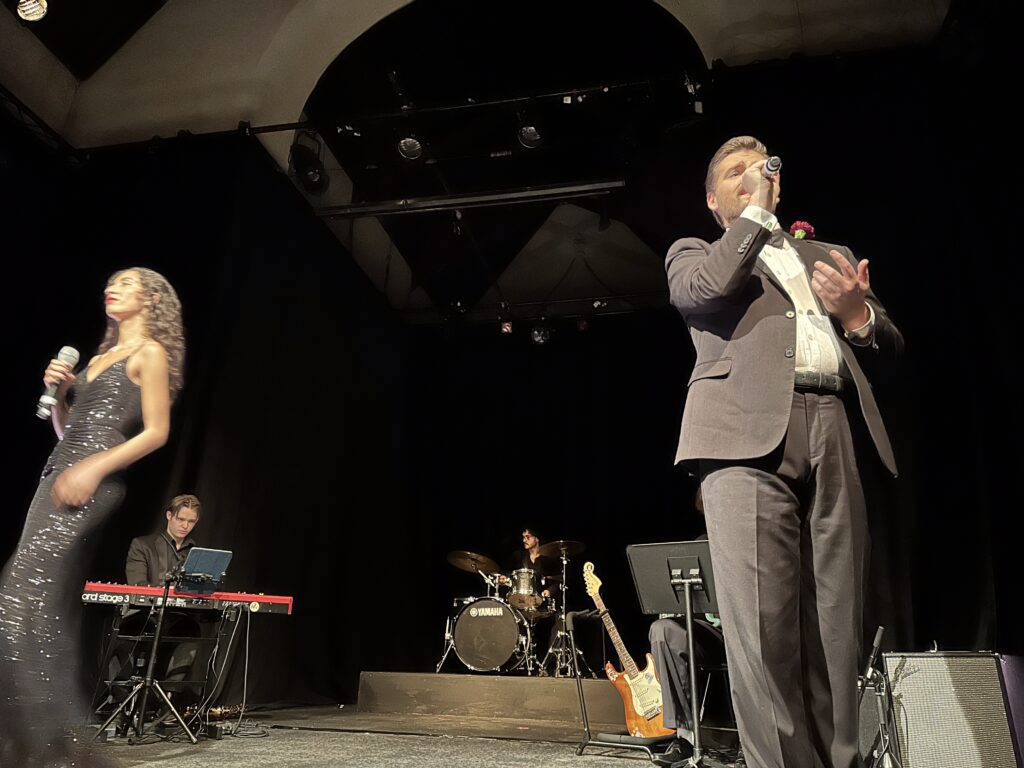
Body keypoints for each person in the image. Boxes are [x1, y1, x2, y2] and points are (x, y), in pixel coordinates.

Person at [665, 136, 902, 768]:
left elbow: (890, 346)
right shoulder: (694, 252)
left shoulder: (827, 255)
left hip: (834, 424)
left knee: (838, 623)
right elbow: (704, 290)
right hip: (743, 437)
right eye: (734, 173)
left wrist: (857, 315)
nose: (751, 176)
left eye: (760, 168)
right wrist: (755, 216)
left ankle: (842, 761)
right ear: (713, 199)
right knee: (763, 630)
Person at [0, 267, 184, 767]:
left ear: (152, 299)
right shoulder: (98, 359)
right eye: (111, 282)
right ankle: (36, 740)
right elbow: (70, 433)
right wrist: (61, 396)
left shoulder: (150, 352)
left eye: (126, 282)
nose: (112, 287)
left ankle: (51, 745)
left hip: (93, 480)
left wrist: (95, 468)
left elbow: (157, 432)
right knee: (35, 600)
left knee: (18, 592)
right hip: (58, 474)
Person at [647, 488, 731, 767]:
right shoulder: (700, 545)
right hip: (710, 633)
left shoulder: (748, 541)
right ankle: (685, 738)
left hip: (746, 633)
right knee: (662, 630)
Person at [126, 493, 201, 586]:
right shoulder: (142, 546)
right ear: (169, 515)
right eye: (180, 519)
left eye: (191, 521)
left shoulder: (197, 552)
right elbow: (137, 585)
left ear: (197, 520)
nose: (185, 526)